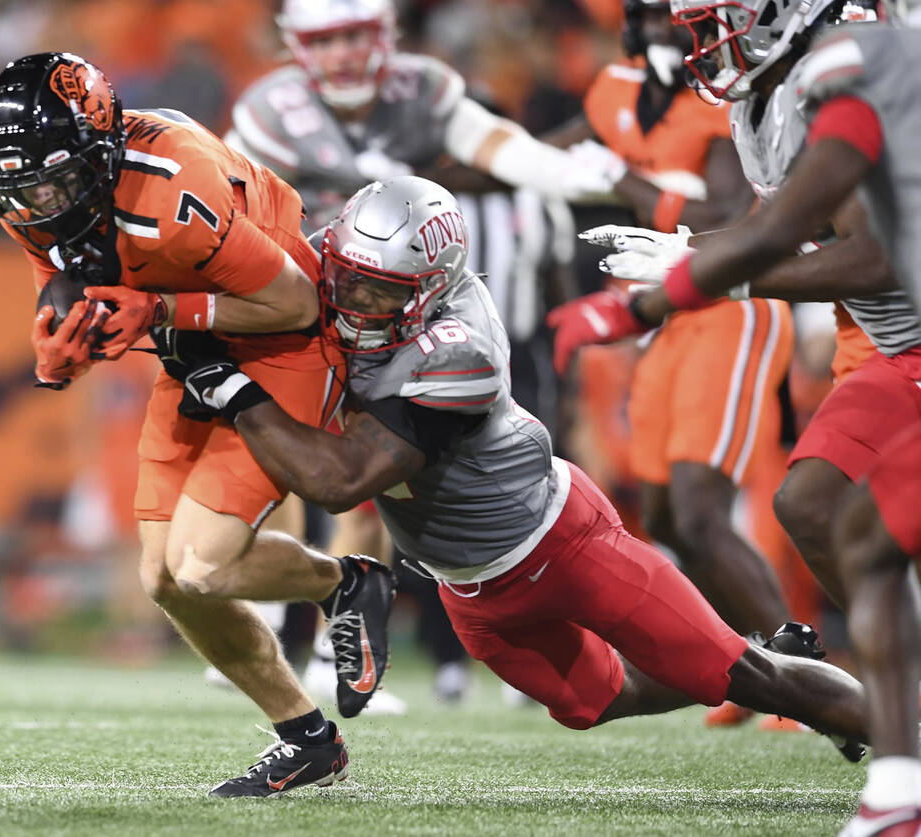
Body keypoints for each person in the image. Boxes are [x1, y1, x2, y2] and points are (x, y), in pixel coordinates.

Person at [170, 174, 869, 760]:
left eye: (379, 292)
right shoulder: (333, 268)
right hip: (468, 586)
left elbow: (340, 481)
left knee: (749, 677)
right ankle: (741, 645)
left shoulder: (457, 349)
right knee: (597, 702)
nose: (352, 301)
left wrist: (228, 386)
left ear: (428, 288)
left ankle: (892, 731)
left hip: (561, 542)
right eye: (349, 279)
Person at [0, 52, 394, 797]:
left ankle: (345, 581)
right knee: (164, 578)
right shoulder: (37, 199)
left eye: (54, 180)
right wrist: (59, 343)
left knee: (204, 562)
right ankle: (306, 738)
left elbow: (295, 301)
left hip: (284, 343)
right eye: (23, 186)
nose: (39, 201)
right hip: (192, 345)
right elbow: (64, 274)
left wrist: (164, 310)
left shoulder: (173, 188)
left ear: (98, 151)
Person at [544, 7, 921, 832]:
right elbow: (783, 226)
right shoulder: (770, 95)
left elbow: (874, 252)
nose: (698, 40)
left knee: (847, 524)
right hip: (899, 345)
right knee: (814, 507)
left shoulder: (854, 65)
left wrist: (692, 277)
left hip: (902, 329)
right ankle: (904, 761)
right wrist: (690, 252)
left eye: (717, 18)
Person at [226, 0, 607, 708]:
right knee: (270, 465)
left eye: (354, 36)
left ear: (384, 37)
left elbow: (498, 144)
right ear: (297, 47)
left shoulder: (421, 89)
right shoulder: (269, 109)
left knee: (369, 483)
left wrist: (584, 177)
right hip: (292, 304)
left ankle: (323, 648)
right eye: (325, 39)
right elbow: (235, 209)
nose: (342, 53)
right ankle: (266, 619)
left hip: (378, 318)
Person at [547, 0, 796, 680]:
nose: (664, 31)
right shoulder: (616, 87)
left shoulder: (734, 88)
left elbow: (721, 213)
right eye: (652, 15)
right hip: (663, 314)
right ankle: (743, 662)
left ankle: (798, 668)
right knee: (660, 511)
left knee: (700, 508)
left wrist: (621, 180)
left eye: (677, 17)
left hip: (729, 305)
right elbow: (544, 156)